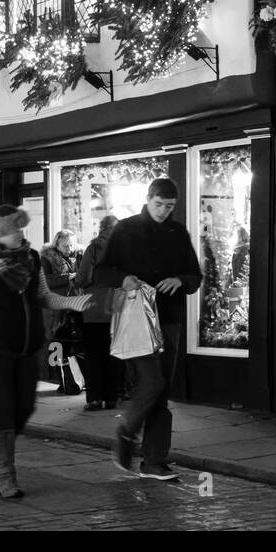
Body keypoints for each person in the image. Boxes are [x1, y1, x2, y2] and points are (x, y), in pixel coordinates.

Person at [0, 206, 90, 499]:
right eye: (14, 229)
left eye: (20, 229)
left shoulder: (31, 258)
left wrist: (74, 303)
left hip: (27, 347)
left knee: (25, 407)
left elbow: (44, 297)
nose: (20, 234)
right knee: (3, 406)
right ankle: (5, 476)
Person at [93, 178, 203, 481]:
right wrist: (125, 277)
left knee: (162, 390)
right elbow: (101, 271)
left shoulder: (178, 233)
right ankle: (126, 434)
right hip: (136, 319)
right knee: (152, 382)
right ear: (148, 198)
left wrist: (180, 280)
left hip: (169, 318)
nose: (164, 211)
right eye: (159, 205)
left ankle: (154, 460)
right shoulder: (125, 229)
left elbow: (195, 275)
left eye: (170, 207)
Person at [73, 215, 123, 411]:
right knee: (114, 354)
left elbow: (83, 277)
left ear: (101, 227)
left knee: (94, 355)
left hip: (94, 308)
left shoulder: (94, 247)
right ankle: (112, 397)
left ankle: (95, 398)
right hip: (117, 308)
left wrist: (76, 281)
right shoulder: (123, 250)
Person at [41, 229, 82, 396]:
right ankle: (61, 379)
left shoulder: (78, 256)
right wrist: (68, 277)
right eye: (65, 245)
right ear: (57, 243)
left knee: (69, 345)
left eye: (71, 245)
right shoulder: (46, 259)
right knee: (56, 345)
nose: (69, 248)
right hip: (55, 309)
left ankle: (70, 380)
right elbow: (45, 281)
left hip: (72, 307)